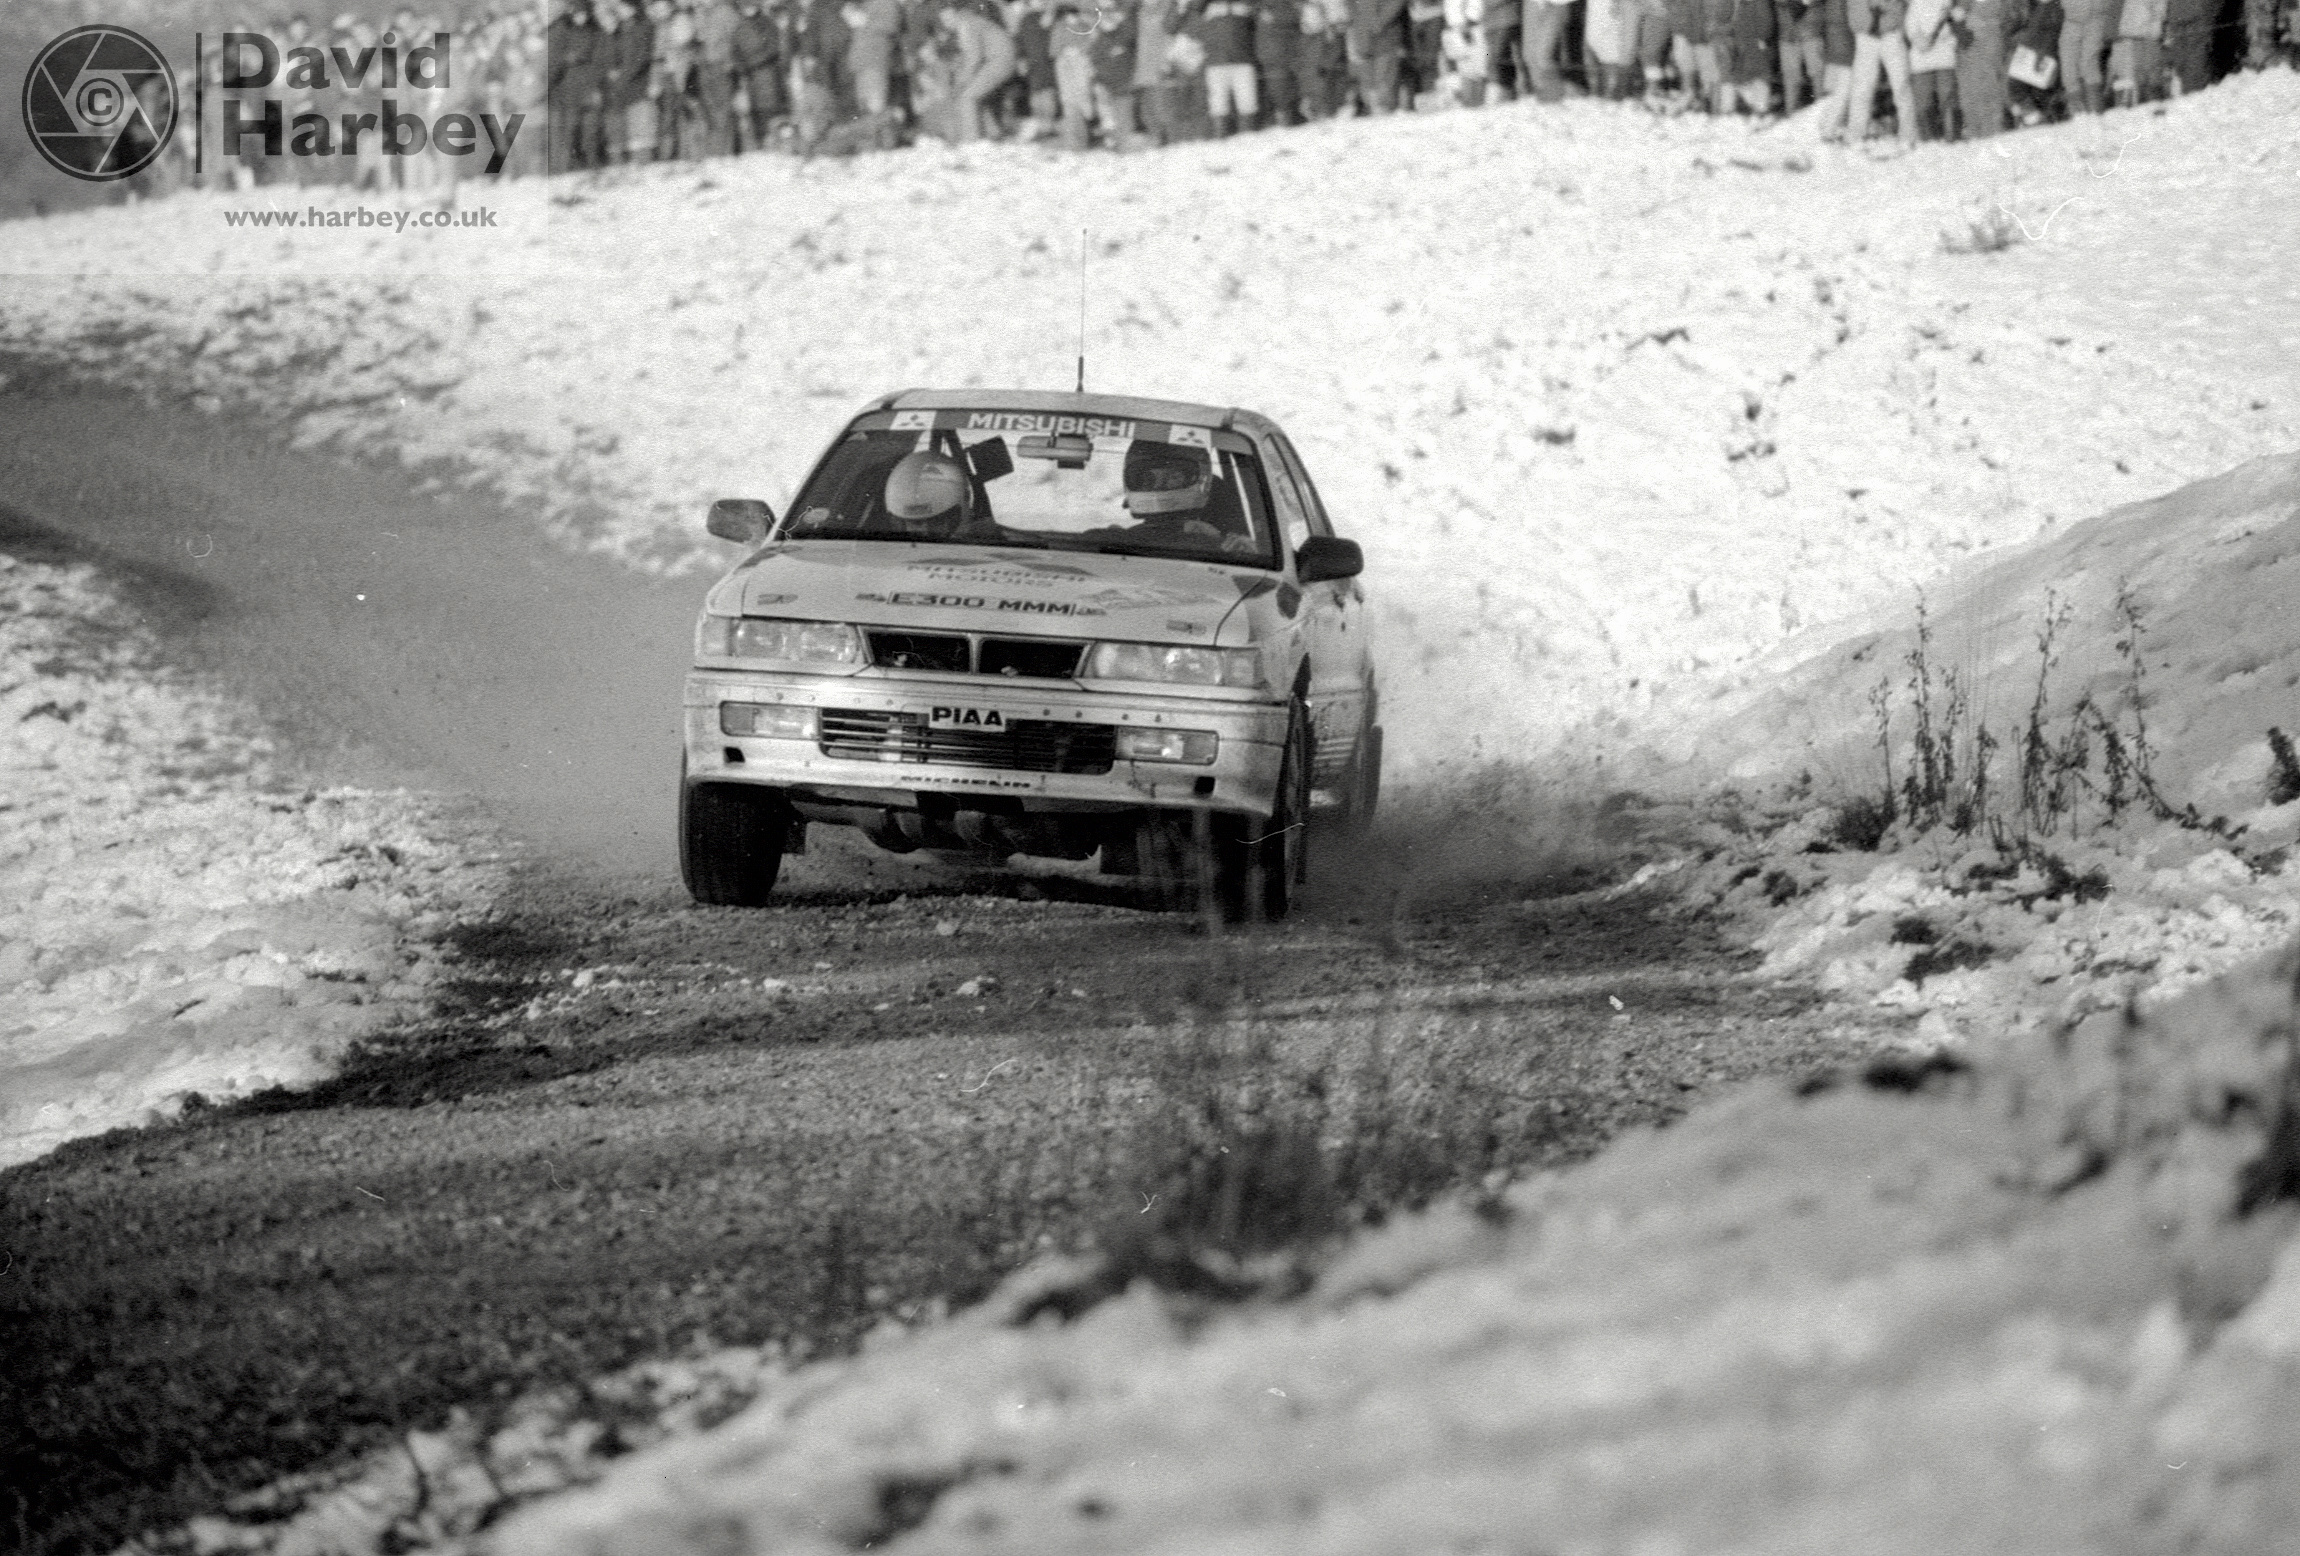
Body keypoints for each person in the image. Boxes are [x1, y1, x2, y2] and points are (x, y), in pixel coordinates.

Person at [1821, 0, 1916, 143]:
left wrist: (1896, 18)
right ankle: (1855, 134)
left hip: (1891, 33)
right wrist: (1860, 24)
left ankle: (1909, 134)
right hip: (1865, 35)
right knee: (1862, 88)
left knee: (1901, 85)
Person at [1953, 0, 2008, 135]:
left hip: (1990, 41)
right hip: (1969, 44)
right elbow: (1957, 16)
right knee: (1970, 87)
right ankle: (1974, 128)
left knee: (1990, 85)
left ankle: (1992, 128)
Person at [2057, 0, 2112, 111]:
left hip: (2096, 17)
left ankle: (2095, 113)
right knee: (2068, 67)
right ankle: (2079, 115)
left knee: (2089, 65)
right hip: (2071, 20)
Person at [1256, 0, 1306, 120]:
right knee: (1281, 87)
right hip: (1275, 53)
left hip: (1285, 51)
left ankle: (1290, 114)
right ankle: (1287, 115)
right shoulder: (1264, 7)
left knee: (1289, 86)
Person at [2109, 0, 2164, 103]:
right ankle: (2140, 102)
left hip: (2150, 32)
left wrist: (2156, 27)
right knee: (2138, 69)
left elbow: (2160, 9)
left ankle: (2155, 102)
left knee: (2152, 68)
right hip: (2133, 31)